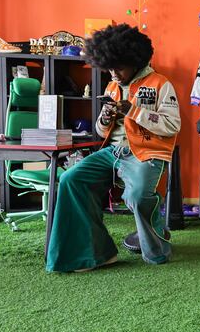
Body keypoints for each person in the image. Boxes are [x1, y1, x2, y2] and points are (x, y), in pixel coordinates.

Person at [46, 24, 181, 272]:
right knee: (71, 179)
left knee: (139, 196)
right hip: (112, 153)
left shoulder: (161, 84)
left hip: (146, 153)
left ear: (135, 60)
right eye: (109, 68)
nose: (114, 74)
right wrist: (106, 118)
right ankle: (96, 254)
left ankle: (157, 250)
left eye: (119, 67)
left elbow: (172, 126)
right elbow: (100, 131)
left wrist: (133, 111)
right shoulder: (111, 86)